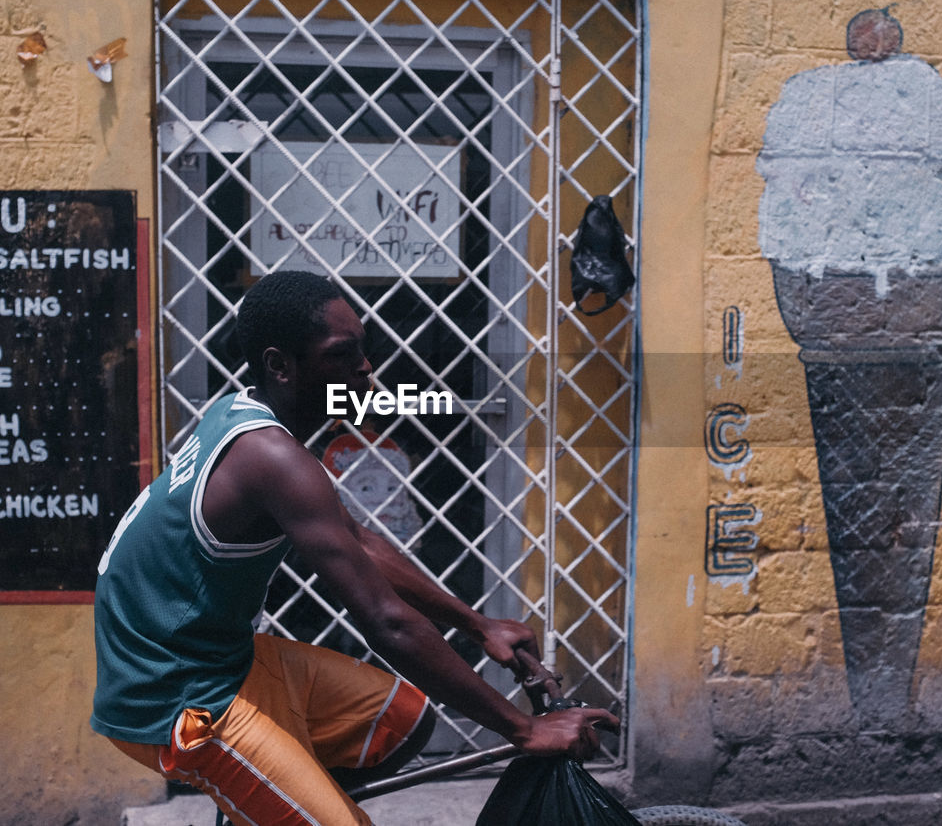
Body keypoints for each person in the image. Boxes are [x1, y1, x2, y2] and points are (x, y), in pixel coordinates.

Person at [90, 270, 618, 825]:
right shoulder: (274, 460)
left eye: (364, 350)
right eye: (343, 355)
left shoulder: (245, 413)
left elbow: (360, 543)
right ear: (280, 366)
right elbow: (385, 622)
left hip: (221, 660)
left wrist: (477, 623)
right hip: (173, 697)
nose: (365, 367)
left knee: (401, 720)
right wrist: (524, 728)